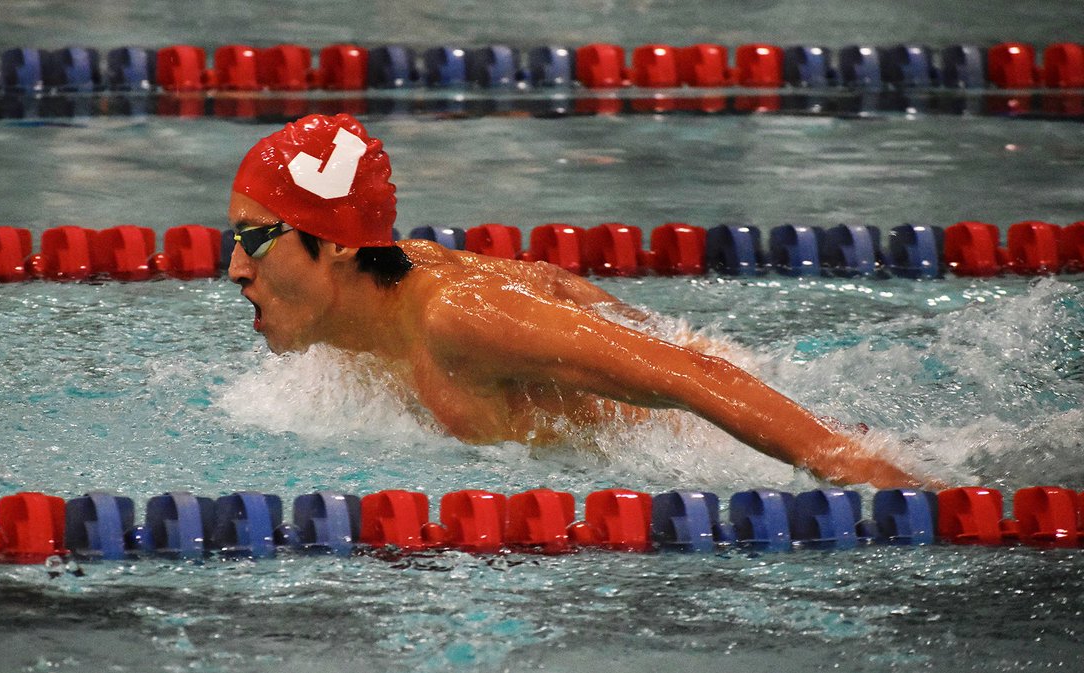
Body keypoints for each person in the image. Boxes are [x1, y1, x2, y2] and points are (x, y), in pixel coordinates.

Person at [227, 113, 940, 489]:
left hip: (716, 437)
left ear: (339, 243)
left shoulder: (456, 316)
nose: (233, 269)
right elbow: (549, 279)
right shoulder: (364, 317)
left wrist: (867, 471)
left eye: (254, 240)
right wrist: (634, 326)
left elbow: (695, 379)